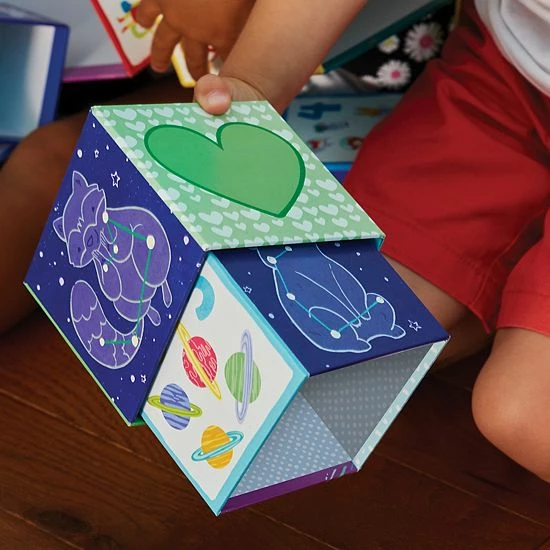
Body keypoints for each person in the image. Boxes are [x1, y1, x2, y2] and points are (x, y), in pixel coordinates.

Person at [136, 0, 550, 482]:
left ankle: (501, 293)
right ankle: (502, 286)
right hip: (504, 75)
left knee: (517, 411)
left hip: (506, 77)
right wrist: (252, 85)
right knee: (341, 340)